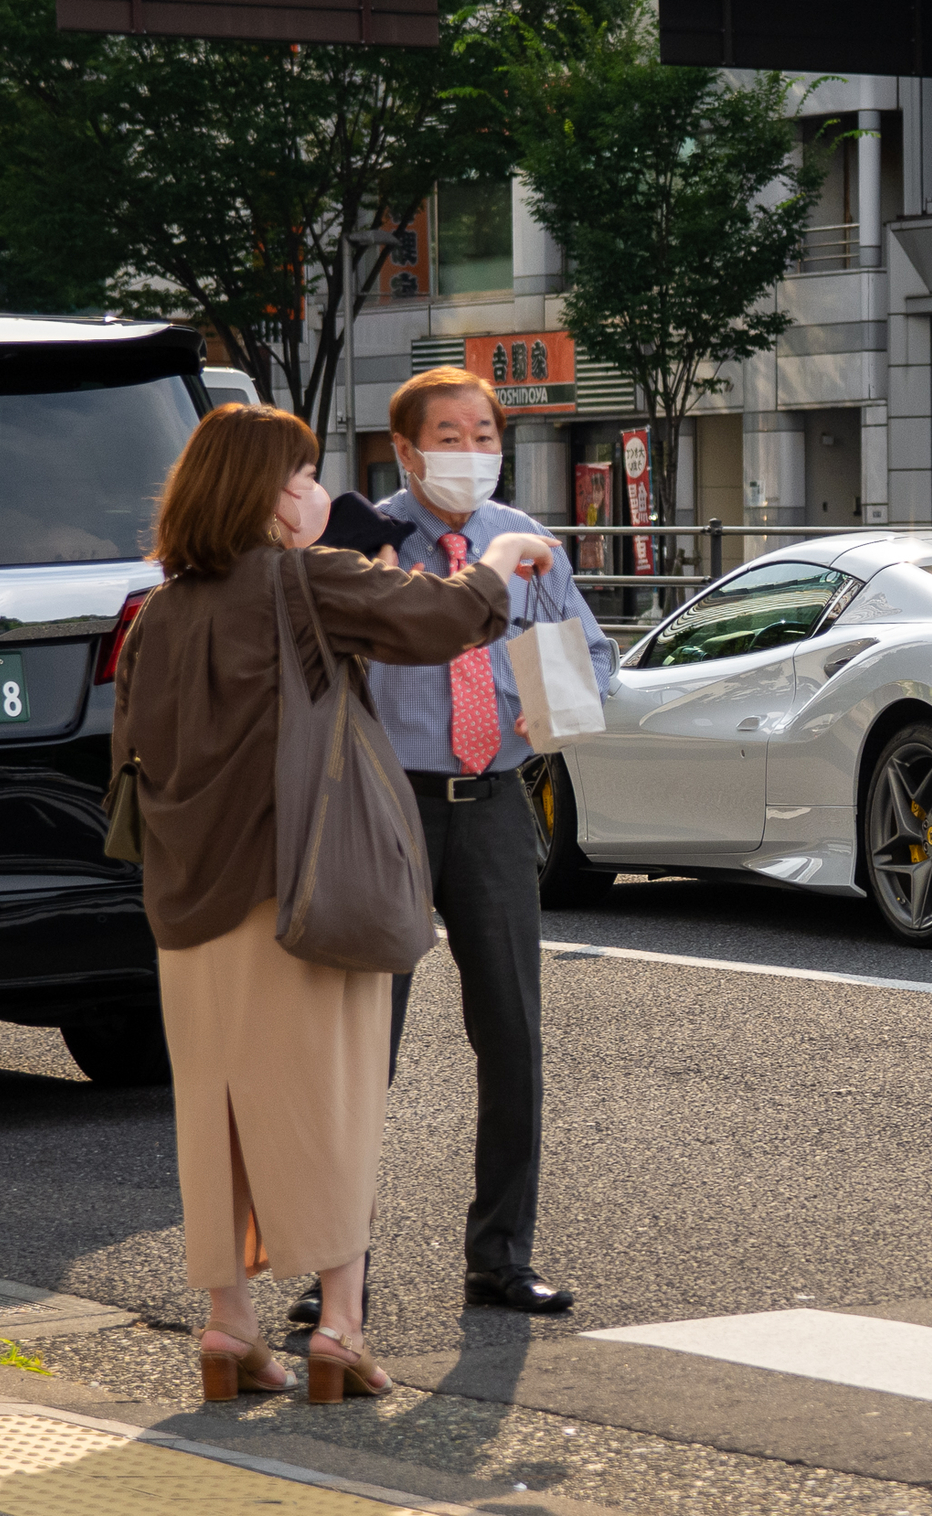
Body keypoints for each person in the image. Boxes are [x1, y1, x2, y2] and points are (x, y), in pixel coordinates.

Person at [111, 402, 557, 1402]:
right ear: (268, 498)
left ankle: (230, 1330)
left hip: (188, 905)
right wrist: (506, 559)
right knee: (333, 1105)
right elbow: (441, 619)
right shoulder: (306, 580)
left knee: (216, 1115)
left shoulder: (159, 612)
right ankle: (339, 1332)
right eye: (304, 477)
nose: (318, 494)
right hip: (303, 891)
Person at [286, 366, 616, 1326]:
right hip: (382, 806)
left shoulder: (531, 547)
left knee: (511, 1031)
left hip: (496, 800)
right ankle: (335, 1263)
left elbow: (590, 660)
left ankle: (502, 1255)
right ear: (406, 447)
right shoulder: (361, 537)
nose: (470, 451)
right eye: (450, 433)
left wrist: (523, 683)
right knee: (361, 1045)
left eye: (484, 433)